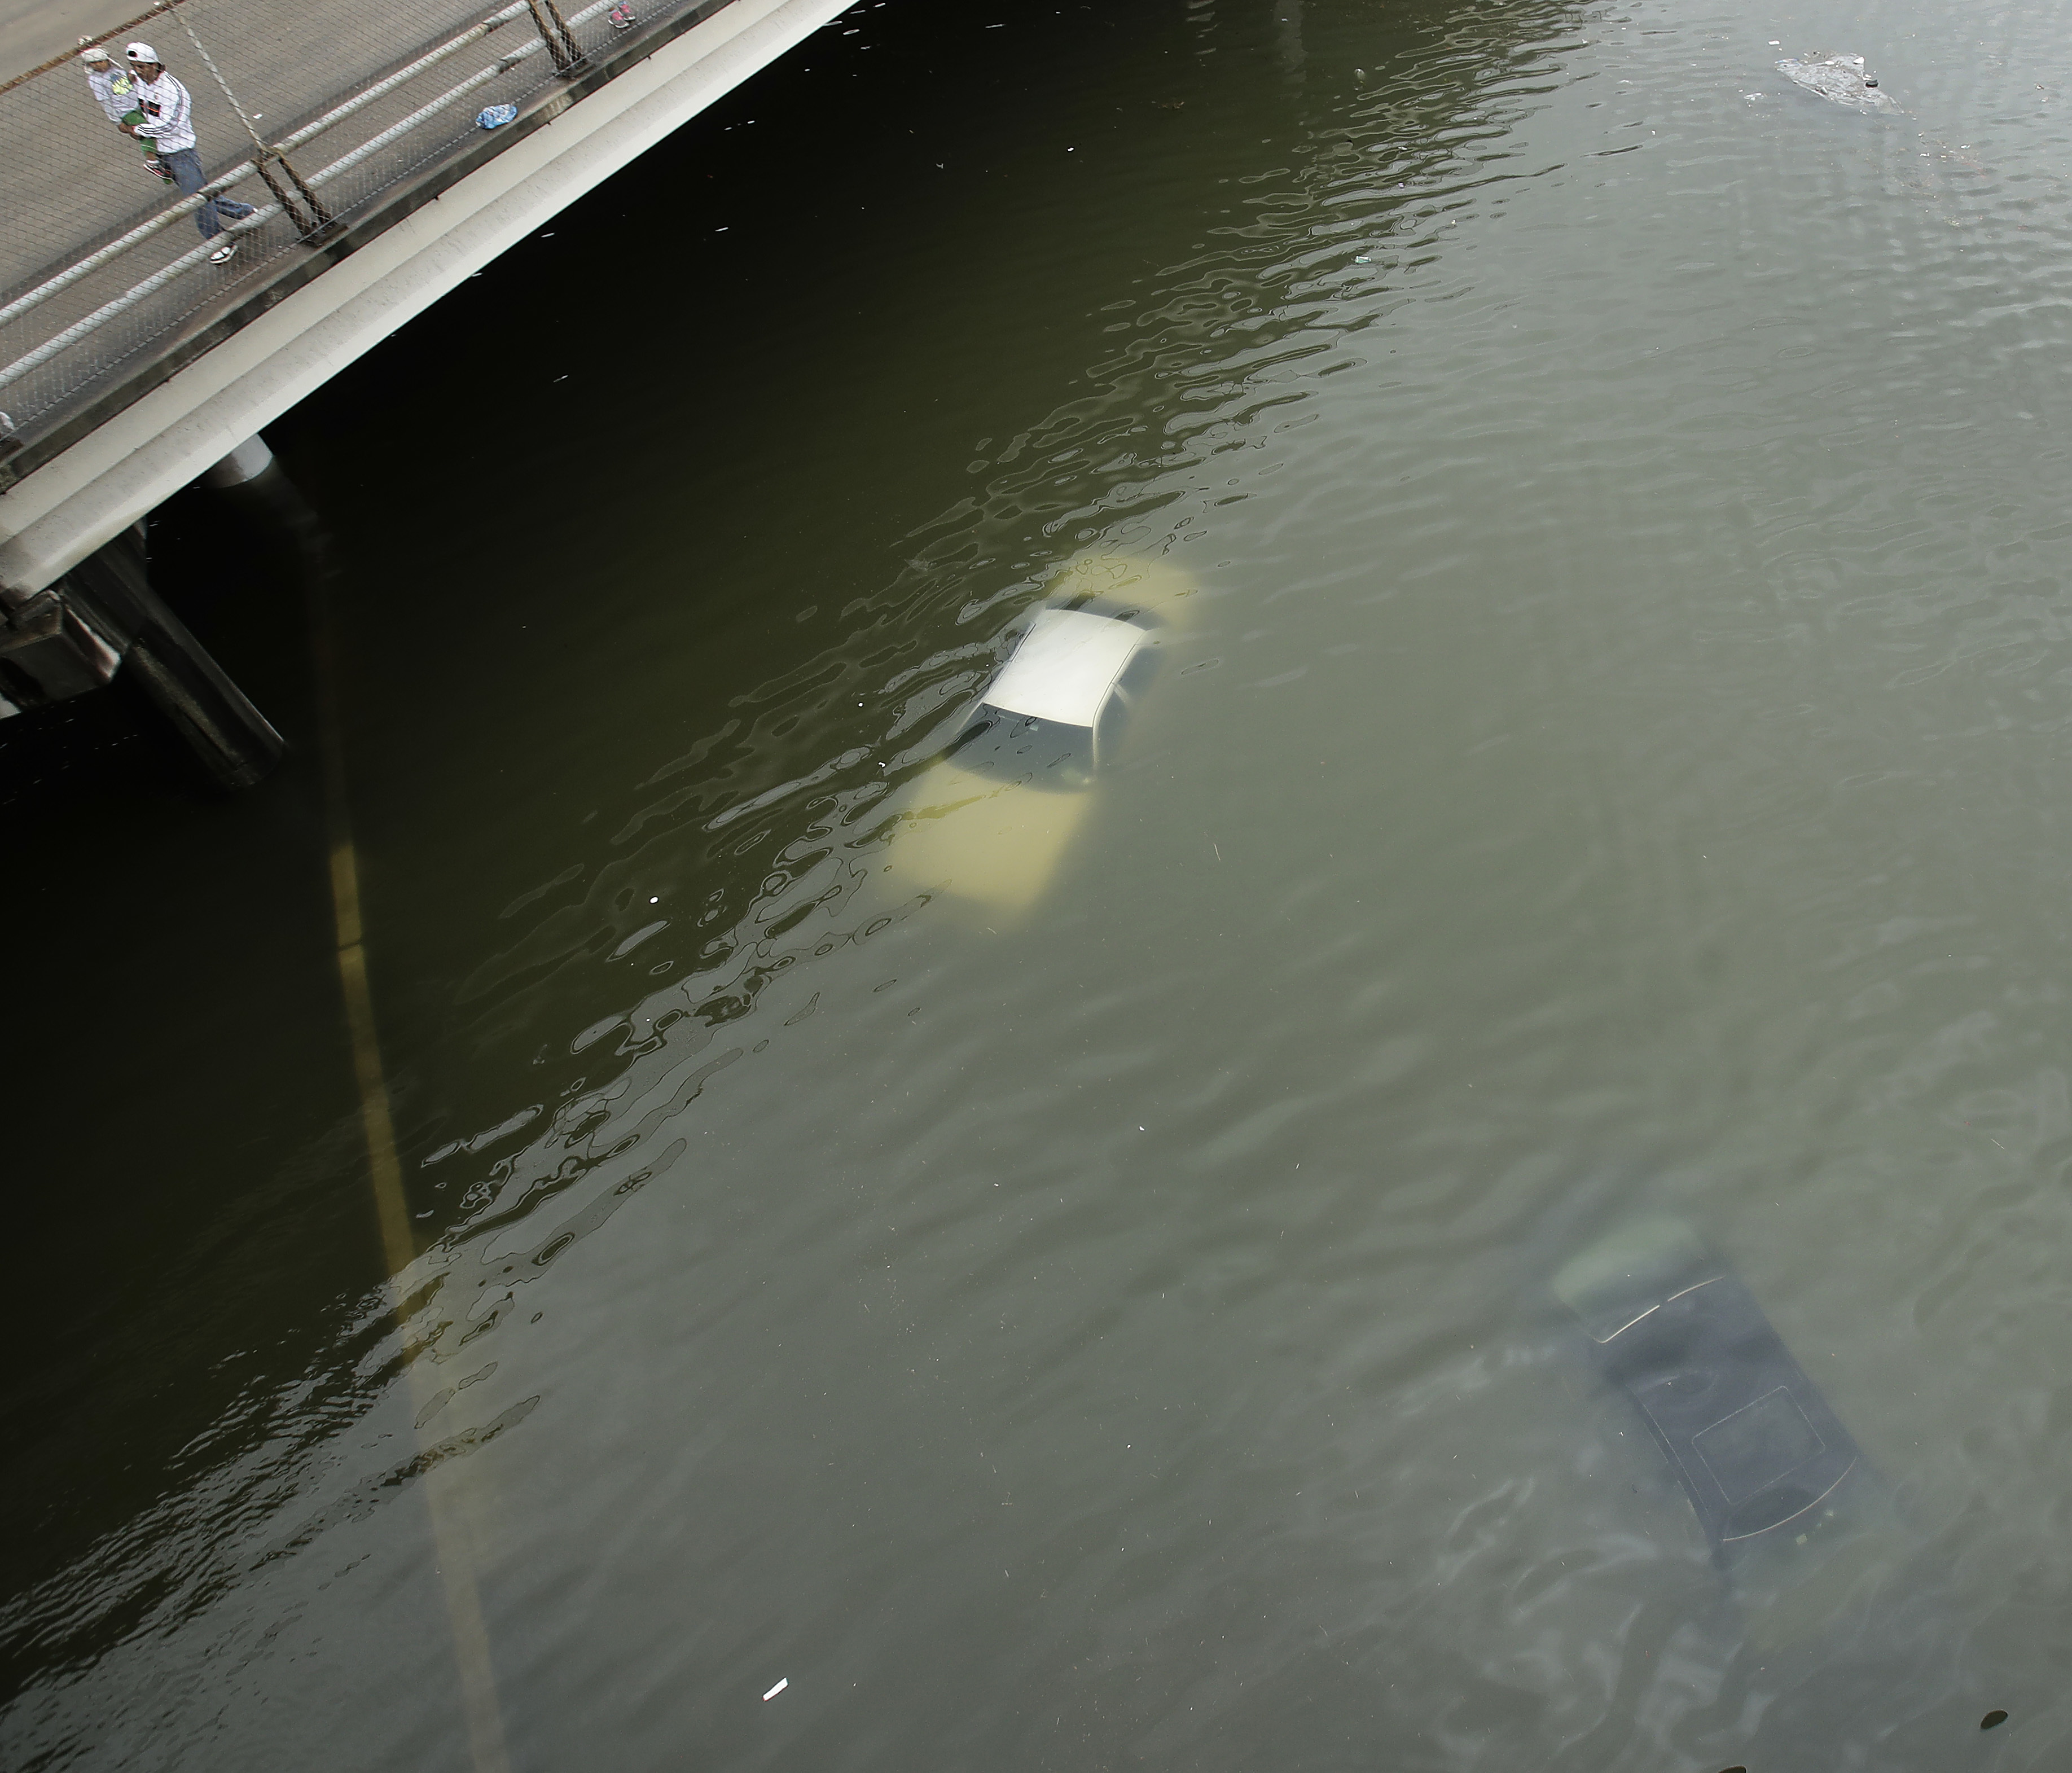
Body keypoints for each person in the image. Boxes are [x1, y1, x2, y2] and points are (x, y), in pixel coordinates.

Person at [118, 42, 257, 265]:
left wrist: (138, 130)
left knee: (197, 200)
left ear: (155, 65)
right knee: (201, 193)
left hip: (180, 153)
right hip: (161, 151)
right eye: (134, 66)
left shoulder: (173, 91)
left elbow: (171, 125)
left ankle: (220, 242)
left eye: (142, 67)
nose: (138, 71)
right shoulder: (139, 81)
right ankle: (246, 213)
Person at [78, 42, 171, 182]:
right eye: (93, 63)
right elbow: (105, 102)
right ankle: (152, 162)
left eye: (100, 61)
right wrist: (118, 122)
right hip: (126, 112)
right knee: (146, 131)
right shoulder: (96, 80)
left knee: (157, 126)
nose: (98, 65)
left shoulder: (117, 69)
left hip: (139, 105)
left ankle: (163, 156)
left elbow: (128, 84)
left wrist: (131, 79)